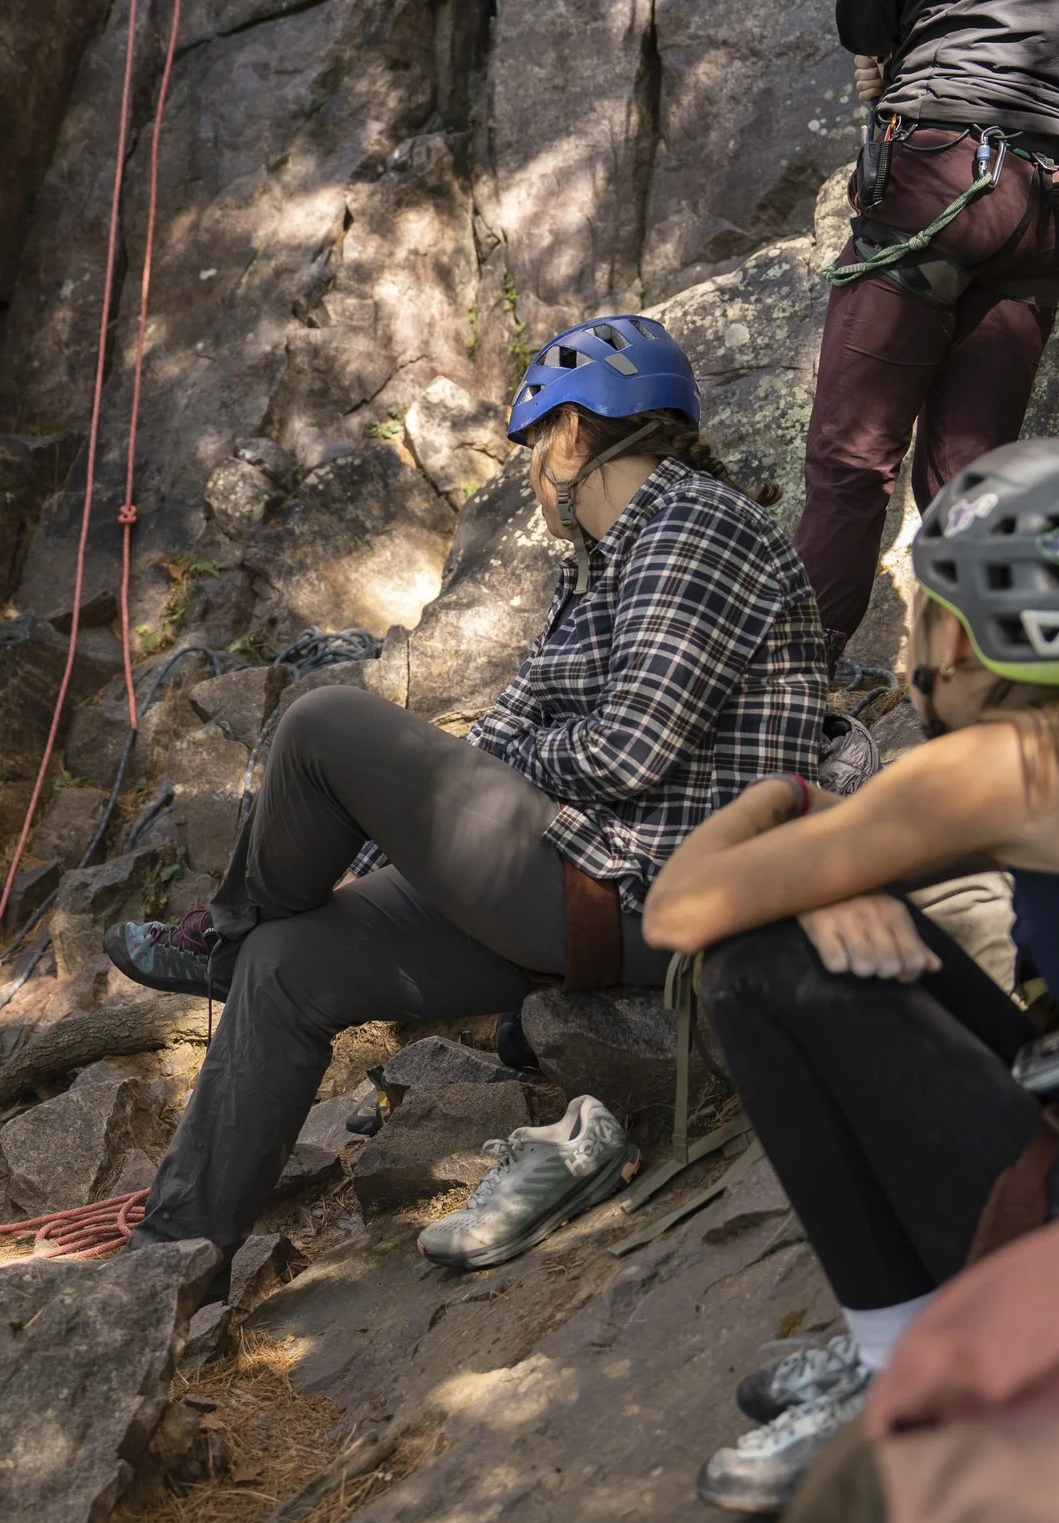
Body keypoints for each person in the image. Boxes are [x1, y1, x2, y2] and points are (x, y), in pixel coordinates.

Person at [110, 315, 828, 1273]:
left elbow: (626, 752)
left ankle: (221, 933)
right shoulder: (600, 570)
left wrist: (497, 771)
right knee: (286, 961)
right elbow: (503, 734)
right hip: (564, 871)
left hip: (646, 889)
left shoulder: (695, 524)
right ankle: (168, 1264)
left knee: (325, 722)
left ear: (573, 433)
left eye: (534, 447)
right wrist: (400, 831)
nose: (533, 476)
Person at [643, 438, 1059, 1513]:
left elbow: (680, 909)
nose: (904, 643)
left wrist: (785, 798)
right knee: (797, 925)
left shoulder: (998, 766)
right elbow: (855, 844)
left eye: (920, 612)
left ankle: (904, 1372)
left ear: (969, 637)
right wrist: (836, 872)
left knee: (756, 957)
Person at [796, 1, 1059, 650]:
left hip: (942, 167)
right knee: (969, 483)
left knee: (851, 464)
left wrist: (894, 58)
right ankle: (977, 715)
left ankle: (780, 711)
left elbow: (864, 21)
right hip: (1055, 189)